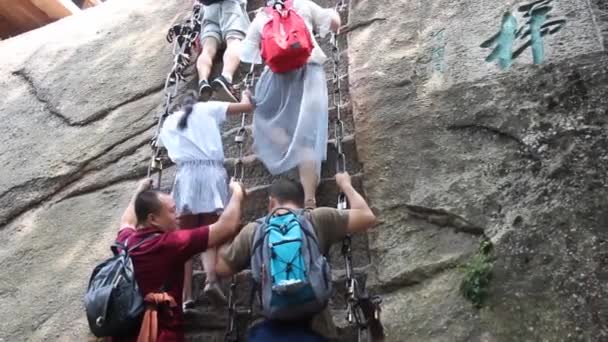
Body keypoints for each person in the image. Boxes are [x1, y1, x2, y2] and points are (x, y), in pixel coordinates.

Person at [215, 172, 377, 341]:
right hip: (317, 326)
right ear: (301, 203)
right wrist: (345, 184)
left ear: (271, 202)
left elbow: (221, 267)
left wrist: (229, 231)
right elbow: (367, 217)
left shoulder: (254, 230)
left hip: (273, 327)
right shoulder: (316, 218)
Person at [113, 177, 246, 341]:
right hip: (161, 335)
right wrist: (237, 193)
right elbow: (226, 226)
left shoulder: (125, 241)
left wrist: (139, 191)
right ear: (152, 219)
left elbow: (127, 220)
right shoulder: (170, 244)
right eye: (172, 211)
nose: (177, 215)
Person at [159, 90, 254, 310]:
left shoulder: (170, 122)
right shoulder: (207, 108)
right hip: (212, 173)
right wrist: (246, 94)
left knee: (183, 239)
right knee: (211, 234)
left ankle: (186, 296)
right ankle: (211, 279)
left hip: (187, 176)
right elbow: (246, 107)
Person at [241, 0, 341, 209]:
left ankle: (288, 152)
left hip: (275, 81)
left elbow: (247, 53)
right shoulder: (302, 4)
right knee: (308, 139)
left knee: (269, 124)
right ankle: (310, 198)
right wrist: (331, 13)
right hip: (309, 75)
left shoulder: (261, 16)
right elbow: (334, 24)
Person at [196, 0, 251, 101]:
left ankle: (203, 81)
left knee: (207, 49)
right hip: (231, 6)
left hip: (209, 10)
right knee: (234, 40)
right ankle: (225, 78)